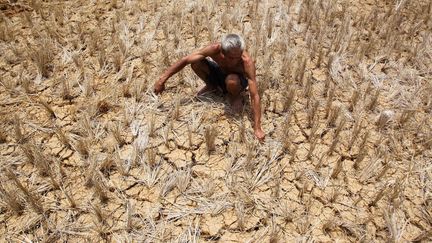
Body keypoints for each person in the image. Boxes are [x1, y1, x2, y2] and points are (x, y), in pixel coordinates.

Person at [154, 34, 265, 141]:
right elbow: (186, 60)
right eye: (231, 58)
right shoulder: (215, 49)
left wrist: (257, 127)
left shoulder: (246, 62)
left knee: (232, 81)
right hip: (220, 73)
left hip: (236, 80)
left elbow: (254, 95)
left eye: (238, 57)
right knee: (196, 62)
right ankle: (212, 86)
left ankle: (234, 96)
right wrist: (161, 80)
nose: (235, 60)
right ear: (223, 52)